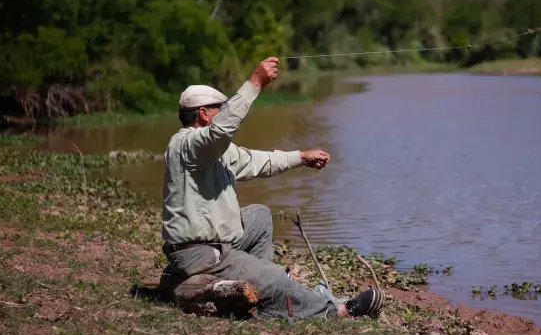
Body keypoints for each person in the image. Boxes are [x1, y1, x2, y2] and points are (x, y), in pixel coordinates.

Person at [159, 56, 385, 320]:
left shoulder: (213, 151)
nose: (225, 111)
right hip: (202, 255)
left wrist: (301, 157)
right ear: (203, 114)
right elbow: (221, 131)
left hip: (216, 245)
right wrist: (255, 82)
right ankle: (335, 311)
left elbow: (258, 161)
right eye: (220, 108)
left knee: (260, 215)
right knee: (277, 277)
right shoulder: (187, 145)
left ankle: (253, 293)